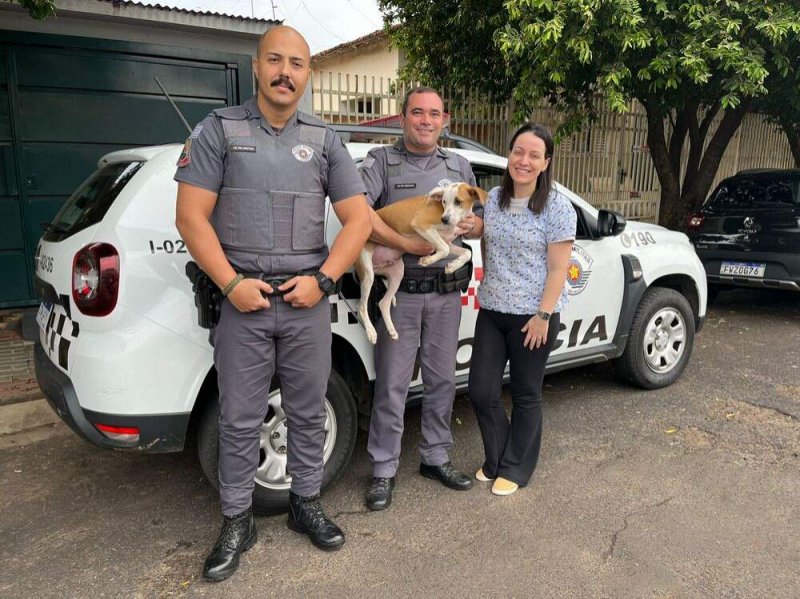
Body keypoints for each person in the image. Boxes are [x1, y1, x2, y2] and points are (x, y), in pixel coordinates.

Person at [174, 26, 371, 581]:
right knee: (239, 419)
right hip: (245, 303)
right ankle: (237, 518)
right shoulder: (219, 130)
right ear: (256, 66)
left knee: (309, 412)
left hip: (307, 301)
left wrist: (327, 281)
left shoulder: (326, 140)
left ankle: (305, 502)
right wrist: (233, 284)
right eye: (276, 61)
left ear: (309, 74)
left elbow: (358, 221)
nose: (287, 72)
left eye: (299, 64)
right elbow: (190, 218)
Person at [360, 86, 483, 511]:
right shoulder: (381, 162)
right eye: (417, 113)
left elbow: (479, 219)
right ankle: (382, 470)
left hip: (446, 295)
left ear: (444, 119)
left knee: (442, 381)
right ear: (402, 117)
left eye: (433, 114)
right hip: (402, 293)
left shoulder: (459, 165)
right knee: (392, 386)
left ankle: (435, 457)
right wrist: (408, 244)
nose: (426, 121)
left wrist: (472, 228)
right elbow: (360, 215)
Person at [467, 122, 576, 496]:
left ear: (546, 163)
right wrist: (471, 226)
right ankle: (496, 459)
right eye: (518, 152)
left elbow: (559, 269)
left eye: (534, 155)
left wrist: (544, 316)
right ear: (509, 155)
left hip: (533, 317)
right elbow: (483, 235)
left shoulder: (557, 208)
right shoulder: (495, 198)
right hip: (493, 310)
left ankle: (516, 467)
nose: (524, 160)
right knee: (481, 390)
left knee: (527, 394)